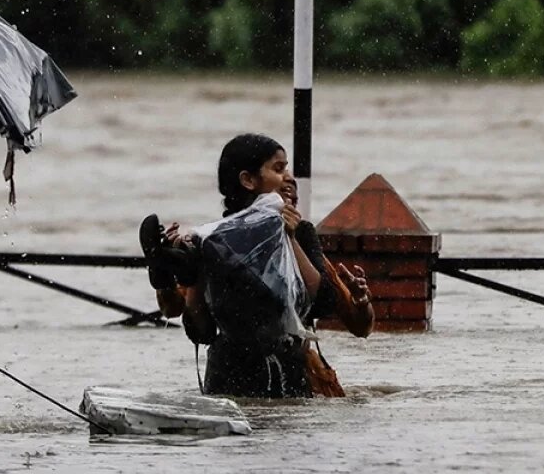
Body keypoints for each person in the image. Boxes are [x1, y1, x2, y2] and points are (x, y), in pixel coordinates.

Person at [142, 133, 373, 398]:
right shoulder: (214, 242)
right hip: (235, 375)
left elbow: (325, 302)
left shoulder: (299, 233)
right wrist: (194, 275)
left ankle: (176, 261)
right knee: (196, 256)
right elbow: (201, 330)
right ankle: (176, 262)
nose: (288, 177)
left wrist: (290, 237)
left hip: (284, 372)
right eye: (279, 169)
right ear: (248, 180)